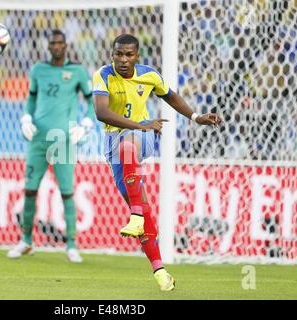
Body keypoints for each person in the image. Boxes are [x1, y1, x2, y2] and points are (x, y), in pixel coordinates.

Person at [92, 34, 222, 291]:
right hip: (112, 144)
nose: (124, 59)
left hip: (143, 136)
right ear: (112, 55)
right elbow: (101, 112)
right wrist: (138, 124)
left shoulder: (149, 75)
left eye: (129, 54)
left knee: (130, 144)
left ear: (137, 56)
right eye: (119, 54)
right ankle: (160, 271)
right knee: (141, 203)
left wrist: (195, 117)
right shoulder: (103, 75)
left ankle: (136, 215)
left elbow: (170, 96)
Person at [7, 29, 96, 263]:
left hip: (63, 139)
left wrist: (86, 124)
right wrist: (26, 117)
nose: (56, 46)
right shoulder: (38, 70)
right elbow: (31, 98)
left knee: (67, 192)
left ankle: (72, 245)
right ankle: (26, 241)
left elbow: (91, 102)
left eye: (60, 43)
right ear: (48, 47)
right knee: (29, 190)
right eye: (53, 43)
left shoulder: (76, 71)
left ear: (66, 46)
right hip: (38, 140)